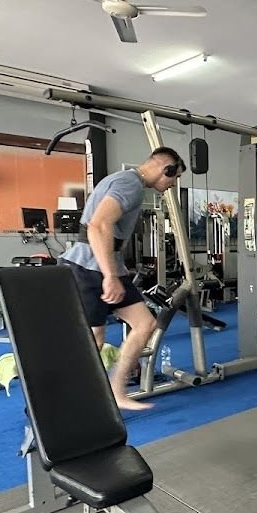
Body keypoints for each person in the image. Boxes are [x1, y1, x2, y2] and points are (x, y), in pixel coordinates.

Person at [60, 147, 187, 410]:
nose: (173, 184)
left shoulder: (127, 181)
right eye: (174, 177)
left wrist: (117, 268)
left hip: (106, 266)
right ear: (166, 169)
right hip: (88, 268)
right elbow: (98, 225)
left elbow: (108, 231)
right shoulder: (131, 185)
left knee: (145, 324)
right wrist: (109, 275)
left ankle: (117, 391)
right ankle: (70, 402)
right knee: (94, 339)